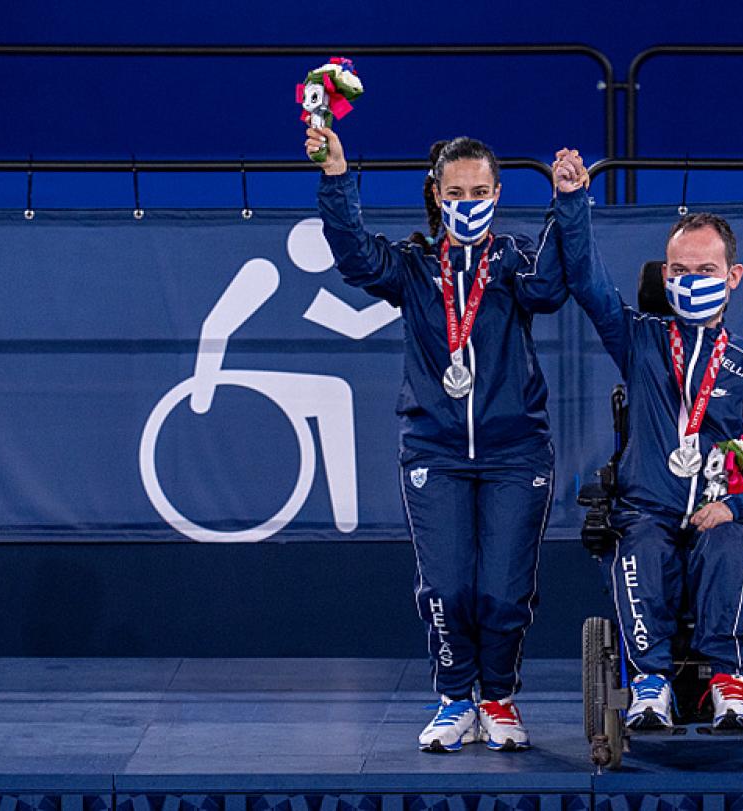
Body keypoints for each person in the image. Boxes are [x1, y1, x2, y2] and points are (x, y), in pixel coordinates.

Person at [306, 126, 567, 752]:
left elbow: (554, 289)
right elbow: (355, 259)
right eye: (458, 191)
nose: (470, 201)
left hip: (515, 451)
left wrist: (568, 204)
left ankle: (498, 698)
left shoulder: (514, 260)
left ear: (499, 194)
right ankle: (455, 697)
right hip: (435, 451)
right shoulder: (415, 267)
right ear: (437, 192)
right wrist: (337, 176)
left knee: (504, 592)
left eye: (481, 190)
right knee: (447, 588)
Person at [550, 148, 743, 730]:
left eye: (706, 271)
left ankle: (728, 681)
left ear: (733, 277)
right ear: (665, 276)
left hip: (725, 512)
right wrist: (572, 203)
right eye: (681, 272)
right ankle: (648, 684)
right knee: (638, 541)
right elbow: (589, 283)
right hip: (650, 507)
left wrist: (736, 503)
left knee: (727, 544)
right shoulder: (640, 341)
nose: (692, 281)